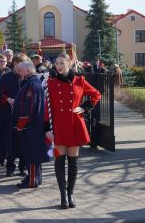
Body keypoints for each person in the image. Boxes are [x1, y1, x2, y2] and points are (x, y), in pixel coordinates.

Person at [45, 53, 101, 209]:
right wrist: (46, 129)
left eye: (62, 63)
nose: (59, 66)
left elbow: (96, 94)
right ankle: (63, 195)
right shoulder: (50, 83)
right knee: (59, 162)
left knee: (73, 163)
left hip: (74, 125)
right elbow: (46, 108)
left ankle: (71, 193)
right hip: (58, 127)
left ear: (69, 64)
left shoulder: (79, 81)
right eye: (57, 63)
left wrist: (84, 107)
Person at [13, 61, 49, 189]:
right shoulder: (32, 82)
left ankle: (32, 180)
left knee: (31, 154)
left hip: (30, 126)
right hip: (32, 125)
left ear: (28, 71)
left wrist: (20, 124)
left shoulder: (32, 84)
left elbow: (29, 107)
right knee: (32, 153)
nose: (19, 73)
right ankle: (34, 177)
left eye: (21, 71)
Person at [0, 54, 27, 177]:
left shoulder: (26, 77)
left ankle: (23, 167)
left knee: (23, 141)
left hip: (23, 115)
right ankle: (10, 167)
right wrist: (8, 99)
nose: (20, 67)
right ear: (14, 64)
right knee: (11, 142)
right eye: (19, 65)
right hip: (9, 114)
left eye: (23, 65)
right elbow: (0, 93)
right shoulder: (6, 77)